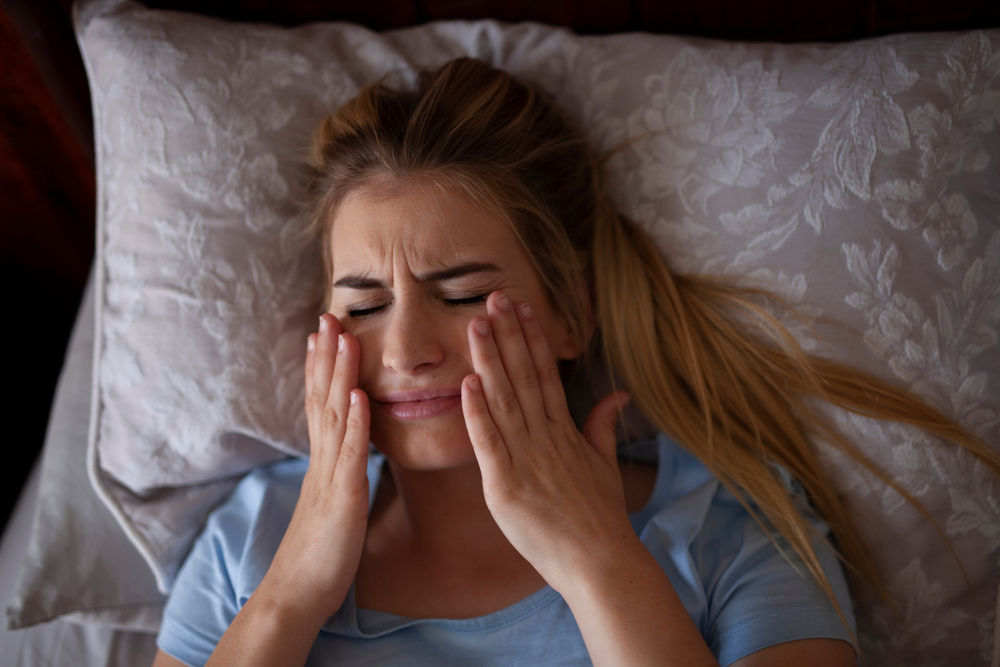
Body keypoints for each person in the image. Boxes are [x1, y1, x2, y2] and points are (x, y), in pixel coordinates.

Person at [151, 58, 998, 666]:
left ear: (569, 315)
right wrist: (295, 591)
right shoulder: (250, 545)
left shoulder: (727, 531)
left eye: (462, 293)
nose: (405, 350)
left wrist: (597, 558)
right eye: (364, 305)